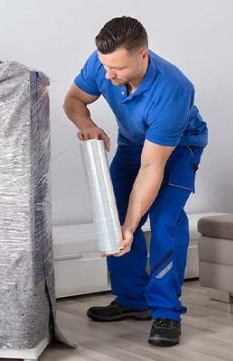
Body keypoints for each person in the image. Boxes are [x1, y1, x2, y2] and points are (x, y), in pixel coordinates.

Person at [63, 16, 208, 347]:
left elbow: (152, 166)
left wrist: (131, 225)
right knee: (112, 215)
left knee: (164, 220)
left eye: (118, 68)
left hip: (177, 148)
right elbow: (73, 101)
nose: (109, 75)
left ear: (143, 55)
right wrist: (86, 123)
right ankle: (132, 300)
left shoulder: (173, 88)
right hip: (133, 145)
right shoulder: (102, 63)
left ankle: (166, 313)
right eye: (105, 66)